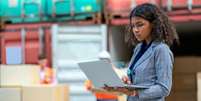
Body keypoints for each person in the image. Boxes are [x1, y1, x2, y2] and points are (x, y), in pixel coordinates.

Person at [104, 3, 179, 101]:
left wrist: (135, 92)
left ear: (153, 24)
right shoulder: (139, 48)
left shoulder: (161, 50)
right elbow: (139, 80)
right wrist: (127, 82)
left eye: (140, 25)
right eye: (133, 26)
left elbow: (164, 88)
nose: (135, 30)